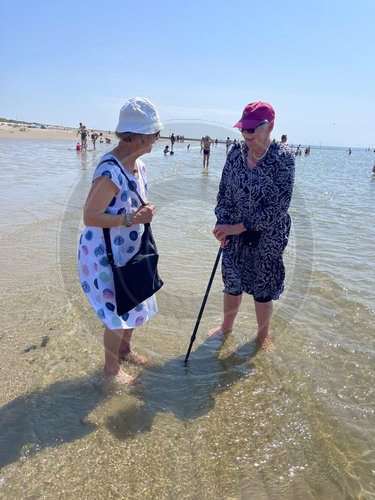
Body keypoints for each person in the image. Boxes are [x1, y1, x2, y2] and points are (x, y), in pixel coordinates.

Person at [78, 97, 163, 384]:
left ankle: (125, 350)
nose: (158, 137)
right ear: (137, 135)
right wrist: (132, 219)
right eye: (154, 132)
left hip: (128, 250)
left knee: (134, 298)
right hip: (104, 255)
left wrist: (142, 213)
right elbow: (90, 216)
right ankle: (111, 370)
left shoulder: (138, 165)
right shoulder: (111, 170)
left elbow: (131, 204)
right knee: (115, 313)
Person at [209, 102, 295, 352]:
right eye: (242, 129)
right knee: (232, 281)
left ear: (270, 127)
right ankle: (226, 327)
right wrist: (222, 223)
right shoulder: (235, 154)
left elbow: (279, 206)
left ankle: (262, 335)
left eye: (251, 130)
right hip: (233, 231)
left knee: (263, 287)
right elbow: (223, 193)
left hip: (269, 234)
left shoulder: (284, 158)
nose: (246, 135)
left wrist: (239, 226)